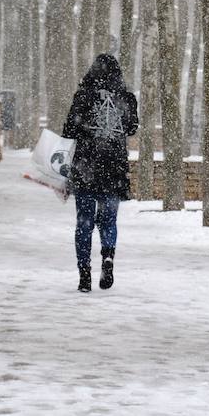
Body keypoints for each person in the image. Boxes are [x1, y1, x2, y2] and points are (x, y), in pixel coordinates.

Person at [62, 53, 138, 293]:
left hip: (87, 166)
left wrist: (87, 126)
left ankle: (84, 273)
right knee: (108, 221)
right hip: (113, 168)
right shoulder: (125, 96)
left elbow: (69, 129)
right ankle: (108, 256)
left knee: (84, 222)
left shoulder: (83, 95)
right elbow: (132, 127)